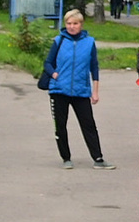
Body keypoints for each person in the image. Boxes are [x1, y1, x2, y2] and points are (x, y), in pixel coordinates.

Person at [41, 9, 108, 168]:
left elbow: (94, 67)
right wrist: (54, 74)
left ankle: (98, 158)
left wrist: (95, 91)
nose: (72, 27)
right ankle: (66, 158)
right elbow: (47, 63)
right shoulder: (59, 40)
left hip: (81, 90)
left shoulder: (89, 42)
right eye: (69, 23)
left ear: (81, 24)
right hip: (59, 90)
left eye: (75, 23)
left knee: (89, 124)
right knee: (61, 125)